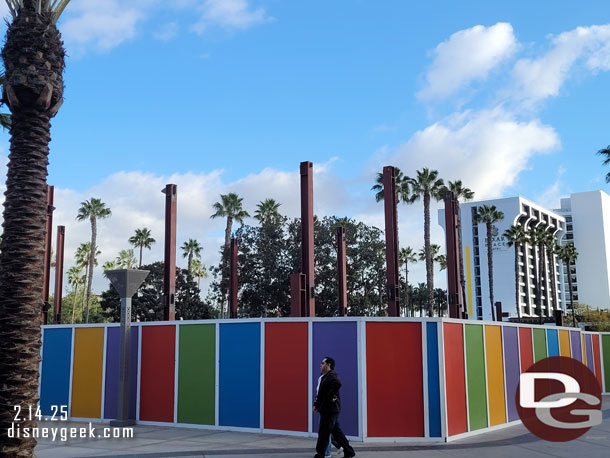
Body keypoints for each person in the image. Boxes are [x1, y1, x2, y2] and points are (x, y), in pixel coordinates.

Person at [313, 357, 355, 458]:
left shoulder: (331, 376)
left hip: (330, 410)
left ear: (328, 365)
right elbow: (320, 394)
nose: (320, 365)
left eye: (322, 363)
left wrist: (330, 397)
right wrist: (317, 404)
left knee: (324, 432)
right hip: (329, 410)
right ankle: (349, 451)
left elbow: (337, 384)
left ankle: (320, 454)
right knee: (336, 433)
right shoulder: (325, 377)